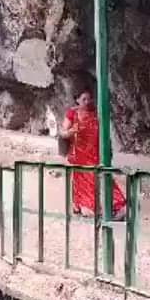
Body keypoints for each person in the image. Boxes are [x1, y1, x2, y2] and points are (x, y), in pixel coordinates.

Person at [60, 89, 127, 219]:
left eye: (88, 99)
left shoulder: (95, 113)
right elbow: (63, 132)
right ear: (77, 99)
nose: (87, 102)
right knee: (84, 181)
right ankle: (87, 206)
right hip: (79, 155)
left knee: (100, 177)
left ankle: (113, 205)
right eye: (84, 99)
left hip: (94, 154)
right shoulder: (72, 113)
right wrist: (72, 131)